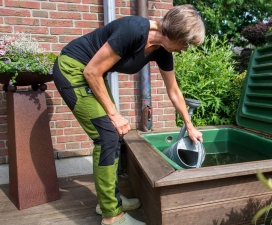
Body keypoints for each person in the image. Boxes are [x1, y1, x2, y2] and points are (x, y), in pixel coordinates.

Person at [52, 4, 205, 225]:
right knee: (107, 138)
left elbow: (174, 91)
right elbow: (91, 71)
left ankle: (109, 199)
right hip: (73, 70)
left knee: (113, 136)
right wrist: (114, 115)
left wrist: (189, 125)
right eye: (186, 43)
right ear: (176, 33)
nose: (186, 49)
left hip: (93, 75)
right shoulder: (134, 30)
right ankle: (112, 215)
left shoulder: (163, 51)